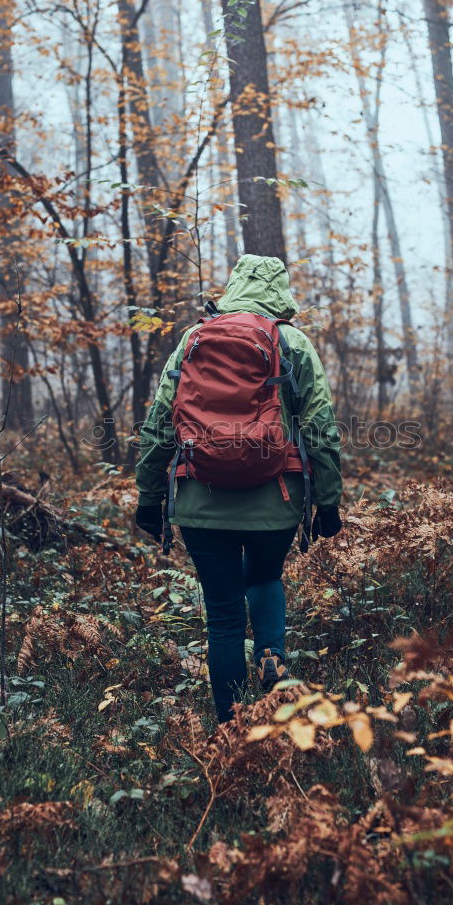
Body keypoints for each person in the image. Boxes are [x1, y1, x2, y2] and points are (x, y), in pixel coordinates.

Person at [134, 254, 342, 723]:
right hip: (277, 502)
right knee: (266, 576)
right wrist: (328, 502)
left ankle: (230, 724)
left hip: (200, 501)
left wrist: (149, 497)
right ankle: (270, 653)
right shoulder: (292, 343)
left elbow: (158, 425)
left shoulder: (193, 339)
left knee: (223, 614)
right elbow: (321, 428)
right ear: (281, 292)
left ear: (232, 287)